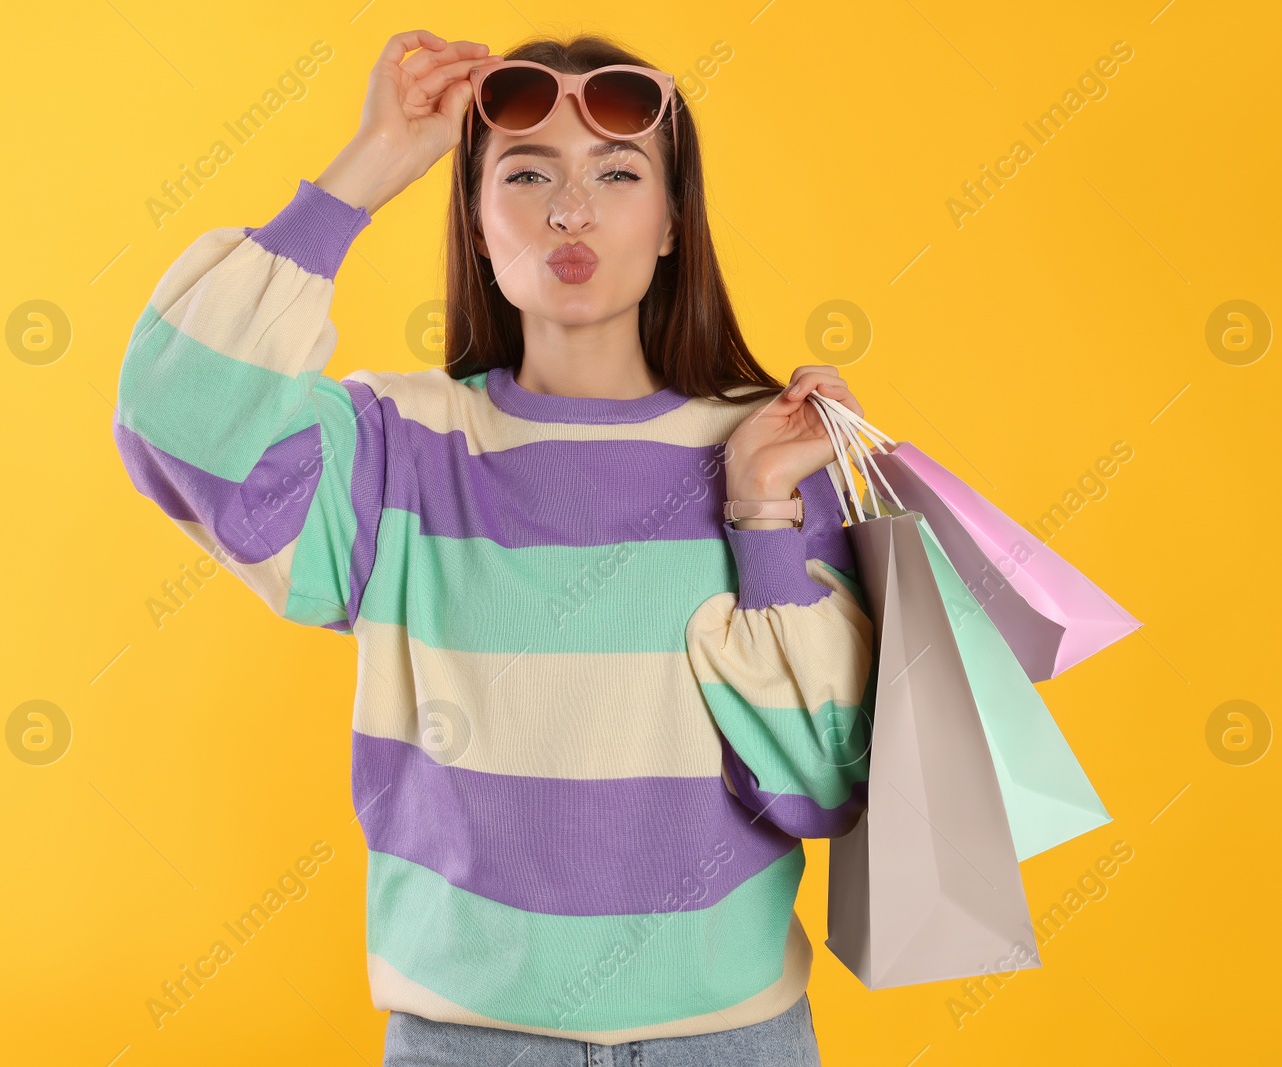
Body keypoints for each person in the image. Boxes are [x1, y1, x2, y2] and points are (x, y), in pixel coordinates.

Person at [112, 26, 876, 1067]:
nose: (572, 209)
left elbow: (822, 785)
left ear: (670, 224)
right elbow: (175, 414)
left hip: (731, 1041)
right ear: (475, 223)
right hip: (467, 1045)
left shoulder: (774, 448)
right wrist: (372, 163)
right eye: (525, 173)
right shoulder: (392, 448)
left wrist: (759, 514)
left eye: (617, 172)